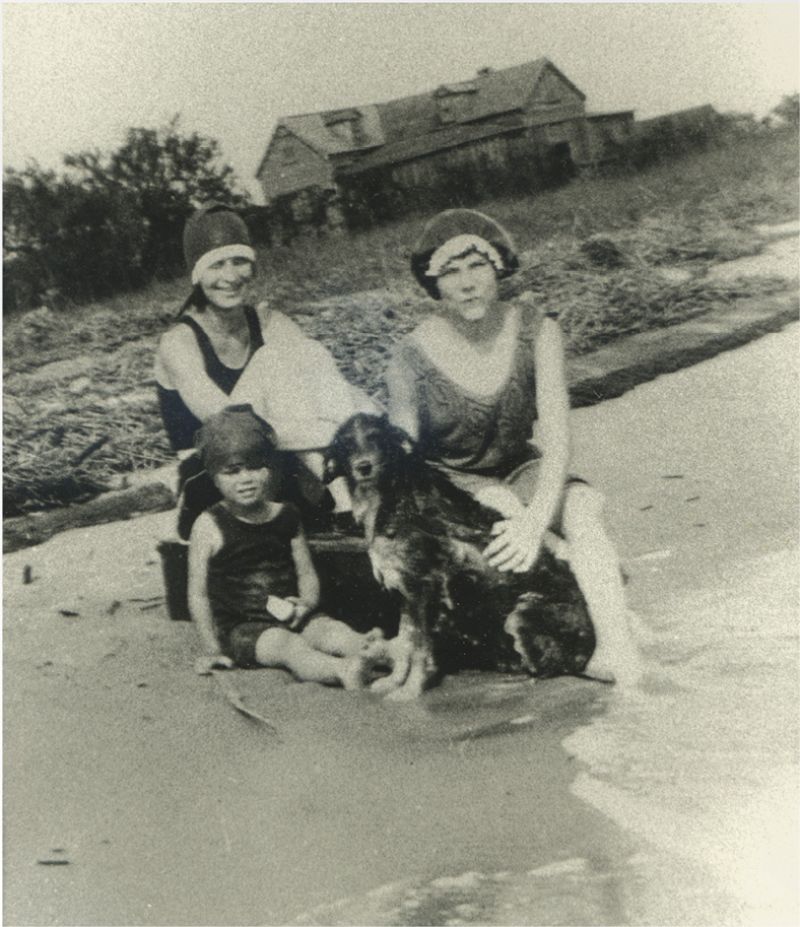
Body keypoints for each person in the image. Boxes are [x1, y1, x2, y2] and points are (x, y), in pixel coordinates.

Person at [385, 208, 643, 686]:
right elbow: (398, 459)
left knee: (583, 507)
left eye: (476, 266)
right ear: (432, 283)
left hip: (521, 464)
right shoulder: (409, 358)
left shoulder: (537, 330)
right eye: (451, 272)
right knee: (503, 508)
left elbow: (559, 441)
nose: (467, 284)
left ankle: (616, 648)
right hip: (453, 481)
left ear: (499, 266)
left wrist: (538, 518)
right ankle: (574, 580)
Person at [155, 202, 374, 537]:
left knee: (308, 351)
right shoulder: (178, 343)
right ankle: (347, 500)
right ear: (197, 275)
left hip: (275, 466)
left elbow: (327, 386)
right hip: (215, 477)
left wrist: (367, 420)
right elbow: (229, 425)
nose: (230, 276)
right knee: (273, 360)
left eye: (239, 261)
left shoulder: (269, 322)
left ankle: (355, 501)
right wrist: (339, 436)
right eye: (216, 265)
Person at [188, 406, 385, 688]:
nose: (246, 479)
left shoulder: (287, 515)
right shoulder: (209, 525)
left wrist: (307, 603)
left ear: (270, 468)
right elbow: (198, 595)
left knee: (333, 631)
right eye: (232, 471)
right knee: (289, 647)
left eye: (255, 467)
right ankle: (342, 670)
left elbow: (306, 572)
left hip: (293, 613)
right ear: (214, 477)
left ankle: (382, 654)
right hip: (245, 628)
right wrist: (211, 649)